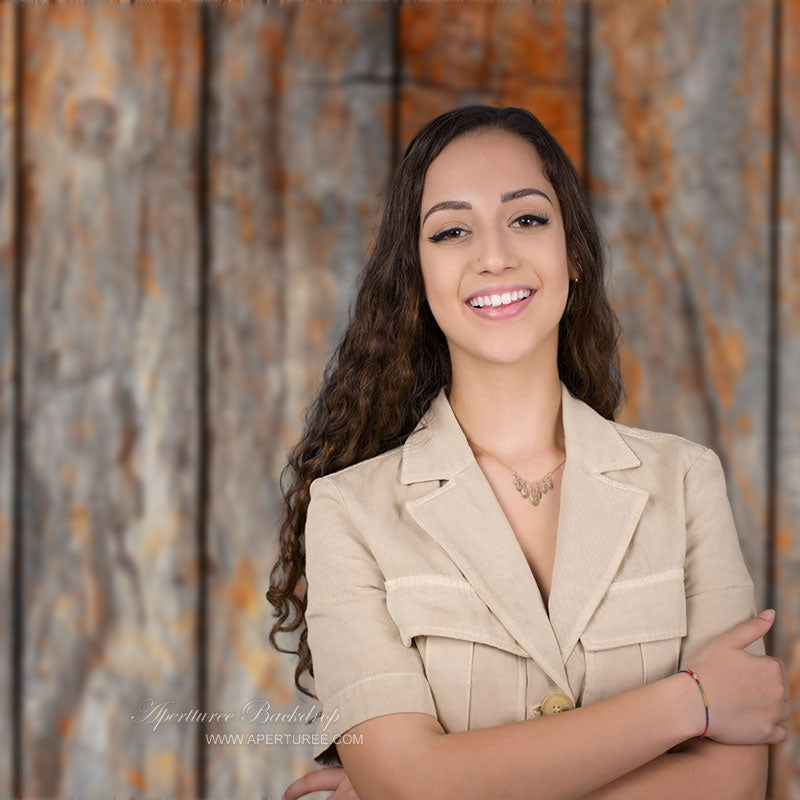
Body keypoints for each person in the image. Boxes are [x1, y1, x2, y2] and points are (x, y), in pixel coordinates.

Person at [268, 105, 791, 800]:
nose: (495, 256)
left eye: (526, 218)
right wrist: (690, 701)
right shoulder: (348, 511)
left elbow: (734, 784)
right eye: (452, 231)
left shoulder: (686, 481)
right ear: (416, 275)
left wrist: (440, 785)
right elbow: (408, 783)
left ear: (573, 253)